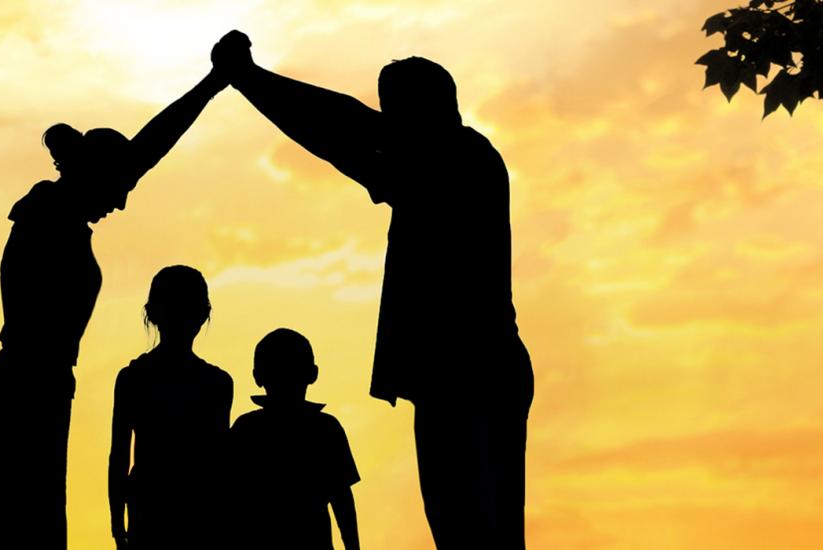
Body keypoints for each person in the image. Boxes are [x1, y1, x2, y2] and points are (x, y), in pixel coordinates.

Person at [210, 31, 535, 550]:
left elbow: (342, 129)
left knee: (471, 527)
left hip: (468, 370)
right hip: (471, 369)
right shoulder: (463, 156)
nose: (385, 125)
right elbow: (349, 127)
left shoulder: (448, 161)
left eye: (393, 112)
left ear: (424, 109)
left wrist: (249, 79)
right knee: (475, 528)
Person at [0, 69, 229, 550]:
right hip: (23, 390)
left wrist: (213, 84)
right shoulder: (45, 216)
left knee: (37, 525)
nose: (124, 202)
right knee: (26, 528)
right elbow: (140, 156)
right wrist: (213, 84)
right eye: (120, 187)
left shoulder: (57, 214)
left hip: (36, 388)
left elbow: (146, 151)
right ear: (95, 177)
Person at [109, 265, 236, 550]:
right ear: (204, 316)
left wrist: (118, 528)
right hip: (199, 519)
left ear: (152, 314)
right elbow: (221, 468)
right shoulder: (217, 383)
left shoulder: (133, 378)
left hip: (152, 516)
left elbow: (119, 459)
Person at [228, 328, 362, 550]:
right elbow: (342, 500)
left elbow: (230, 500)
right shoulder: (326, 429)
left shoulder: (246, 429)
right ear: (313, 373)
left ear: (257, 377)